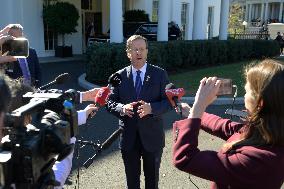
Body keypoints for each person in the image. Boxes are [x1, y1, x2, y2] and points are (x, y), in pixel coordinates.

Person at [172, 59, 284, 189]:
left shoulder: (258, 161)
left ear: (260, 103)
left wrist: (199, 106)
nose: (245, 95)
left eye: (247, 91)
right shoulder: (270, 132)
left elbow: (186, 158)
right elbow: (225, 126)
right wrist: (194, 112)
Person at [106, 35, 172, 189]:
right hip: (129, 139)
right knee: (132, 183)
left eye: (142, 49)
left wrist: (152, 108)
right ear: (128, 53)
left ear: (147, 51)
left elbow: (170, 102)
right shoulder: (118, 77)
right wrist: (121, 108)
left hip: (153, 139)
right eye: (134, 49)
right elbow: (109, 102)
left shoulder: (160, 74)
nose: (138, 52)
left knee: (152, 183)